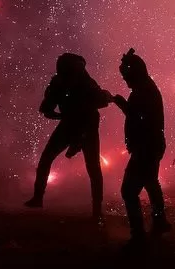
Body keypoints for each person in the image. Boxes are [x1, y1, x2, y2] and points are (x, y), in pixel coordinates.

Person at [25, 53, 111, 220]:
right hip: (72, 125)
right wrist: (64, 117)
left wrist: (64, 116)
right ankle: (38, 198)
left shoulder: (84, 83)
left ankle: (97, 209)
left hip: (86, 126)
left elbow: (100, 100)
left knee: (92, 167)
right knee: (89, 167)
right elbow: (47, 109)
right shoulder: (62, 83)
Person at [113, 49, 169, 241]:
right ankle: (160, 221)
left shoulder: (144, 91)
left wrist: (122, 104)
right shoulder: (145, 88)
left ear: (134, 73)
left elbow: (140, 118)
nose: (124, 80)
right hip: (152, 146)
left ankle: (138, 235)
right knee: (151, 182)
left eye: (126, 76)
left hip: (146, 148)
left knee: (128, 192)